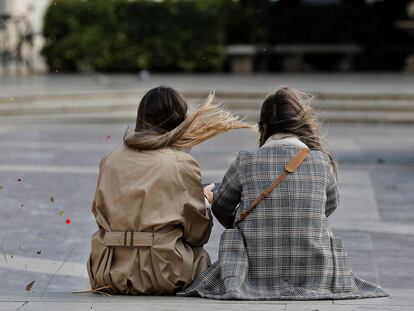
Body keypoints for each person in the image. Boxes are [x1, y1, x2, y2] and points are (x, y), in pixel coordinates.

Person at [179, 86, 388, 300]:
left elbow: (221, 208)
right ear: (301, 124)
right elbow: (329, 207)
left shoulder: (245, 162)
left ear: (263, 127)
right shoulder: (321, 161)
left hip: (253, 270)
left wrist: (253, 223)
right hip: (316, 272)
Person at [87, 86, 253, 295]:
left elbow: (100, 215)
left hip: (108, 270)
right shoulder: (181, 162)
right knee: (200, 256)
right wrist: (203, 202)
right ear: (178, 121)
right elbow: (197, 234)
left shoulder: (110, 161)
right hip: (162, 273)